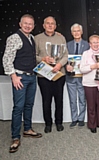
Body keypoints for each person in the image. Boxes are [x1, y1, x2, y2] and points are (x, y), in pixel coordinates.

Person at [2, 14, 42, 153]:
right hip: (20, 78)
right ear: (20, 24)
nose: (28, 26)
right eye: (25, 23)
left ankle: (27, 129)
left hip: (32, 77)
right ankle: (15, 137)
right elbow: (6, 59)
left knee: (29, 104)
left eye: (30, 24)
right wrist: (13, 76)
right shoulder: (14, 38)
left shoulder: (31, 38)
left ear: (33, 26)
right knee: (18, 107)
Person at [35, 16, 68, 133]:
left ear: (55, 26)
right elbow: (32, 56)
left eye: (52, 24)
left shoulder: (61, 38)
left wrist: (59, 65)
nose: (50, 25)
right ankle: (48, 123)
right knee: (46, 100)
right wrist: (43, 59)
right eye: (47, 23)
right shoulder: (37, 38)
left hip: (59, 74)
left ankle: (59, 122)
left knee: (59, 100)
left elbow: (66, 55)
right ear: (43, 25)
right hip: (44, 75)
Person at [80, 35, 99, 133]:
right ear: (90, 44)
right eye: (94, 42)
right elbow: (82, 69)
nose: (96, 44)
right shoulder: (85, 54)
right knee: (91, 105)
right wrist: (93, 66)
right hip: (89, 83)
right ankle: (92, 124)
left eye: (97, 42)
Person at [65, 23, 89, 128]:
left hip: (82, 76)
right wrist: (66, 66)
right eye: (74, 31)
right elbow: (63, 58)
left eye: (78, 31)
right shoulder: (67, 44)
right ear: (71, 33)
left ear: (82, 32)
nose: (76, 33)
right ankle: (74, 118)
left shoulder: (87, 45)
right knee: (72, 99)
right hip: (70, 76)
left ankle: (81, 118)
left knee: (82, 99)